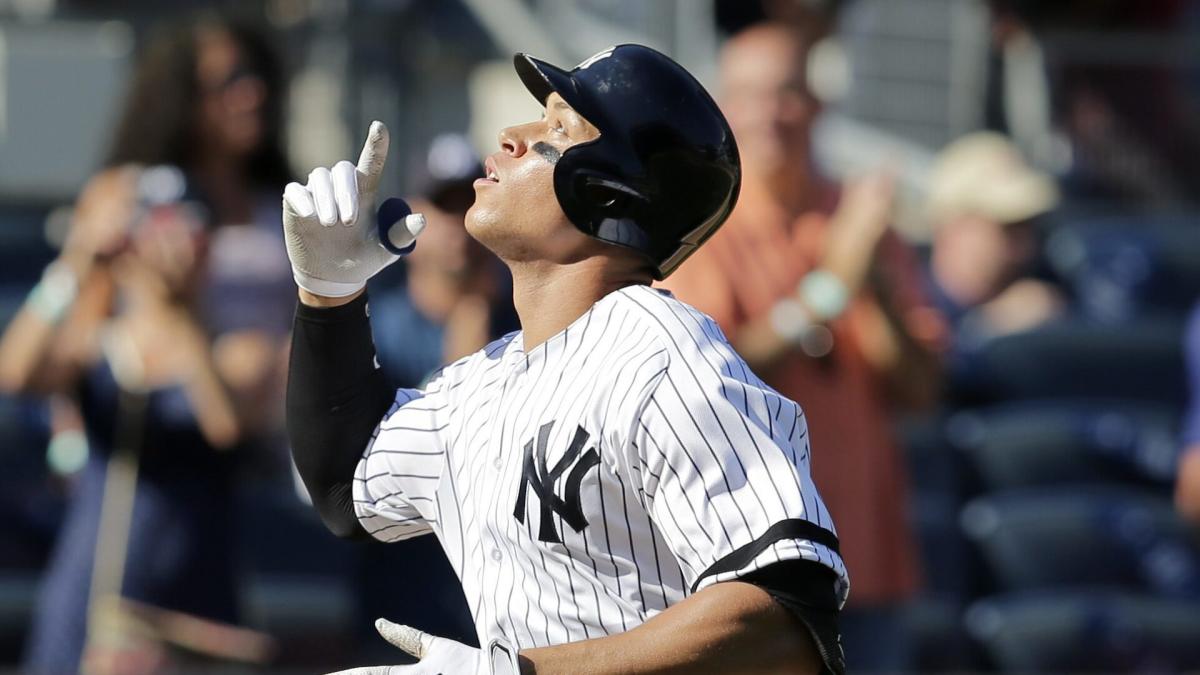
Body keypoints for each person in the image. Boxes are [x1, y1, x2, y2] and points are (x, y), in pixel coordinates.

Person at [284, 44, 847, 675]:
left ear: (606, 194)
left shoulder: (664, 355)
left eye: (557, 128)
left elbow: (787, 616)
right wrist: (328, 297)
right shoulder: (482, 381)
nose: (511, 136)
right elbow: (343, 485)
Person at [0, 16, 293, 674]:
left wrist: (188, 316)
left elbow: (230, 421)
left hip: (200, 586)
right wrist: (78, 259)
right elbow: (20, 371)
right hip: (98, 588)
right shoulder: (105, 333)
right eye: (227, 83)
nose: (171, 239)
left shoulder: (263, 264)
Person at [659, 23, 943, 672]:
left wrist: (872, 282)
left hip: (868, 560)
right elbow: (708, 381)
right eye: (750, 94)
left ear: (817, 104)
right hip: (750, 570)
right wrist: (827, 289)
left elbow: (920, 389)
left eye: (787, 92)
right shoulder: (699, 222)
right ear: (722, 108)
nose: (770, 113)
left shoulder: (858, 219)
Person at [925, 132, 1062, 348]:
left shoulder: (1051, 281)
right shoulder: (908, 301)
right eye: (1007, 226)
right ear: (953, 227)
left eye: (1029, 225)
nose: (1024, 245)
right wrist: (986, 331)